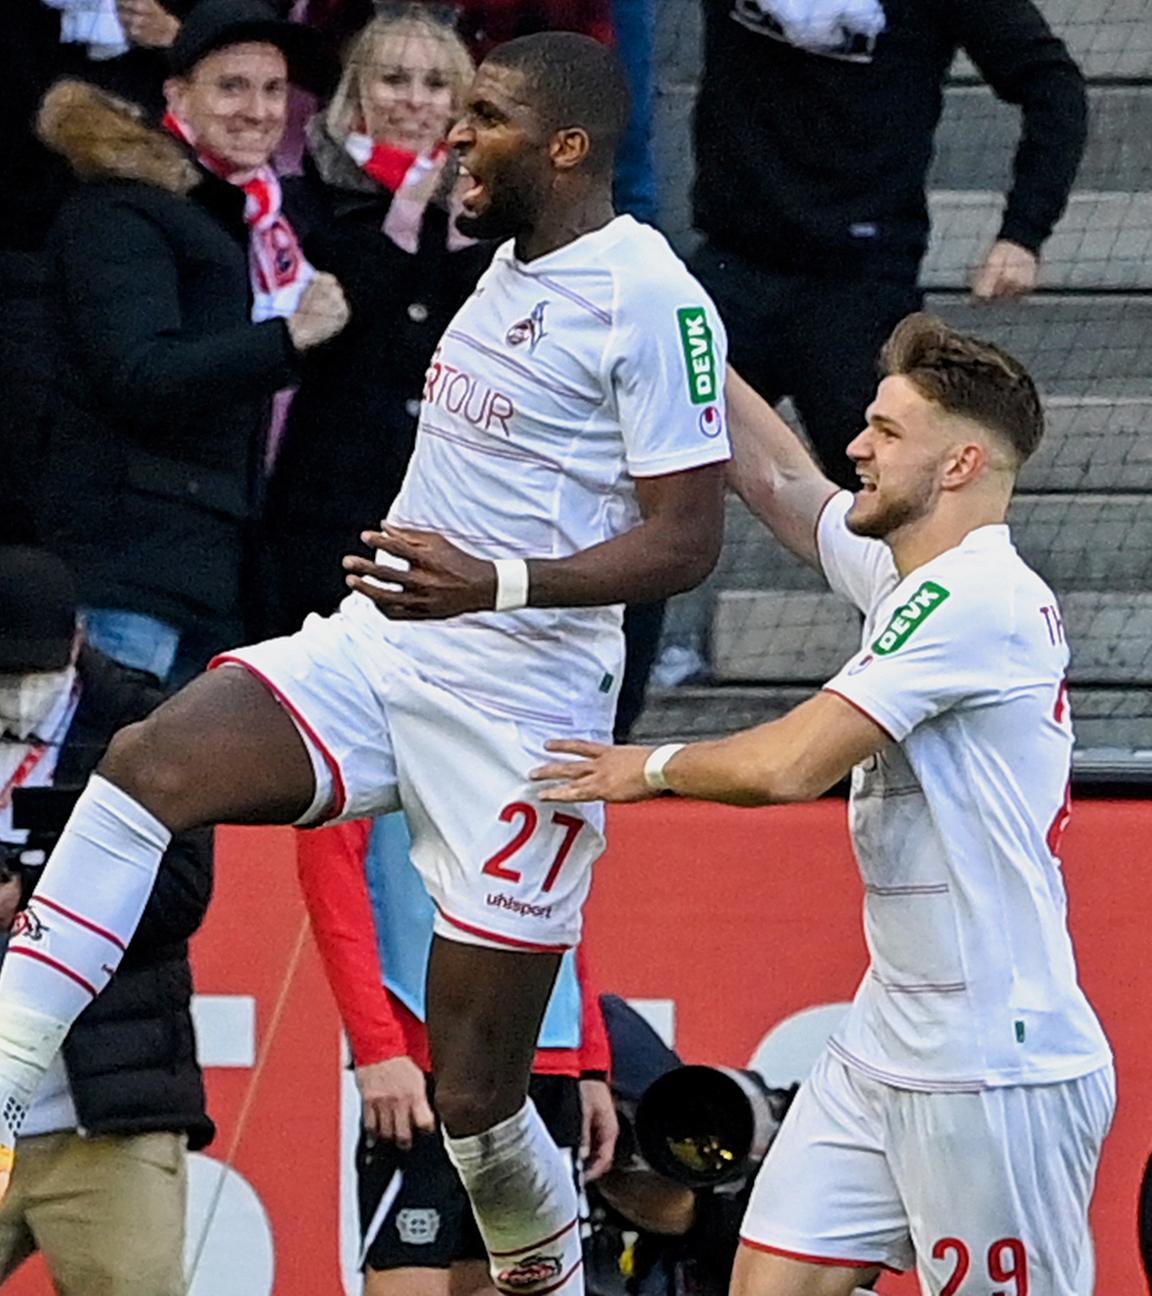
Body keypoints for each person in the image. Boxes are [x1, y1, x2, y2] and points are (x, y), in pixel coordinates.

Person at [0, 30, 729, 1296]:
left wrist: (493, 584)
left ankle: (545, 1265)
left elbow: (688, 539)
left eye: (486, 114)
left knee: (480, 1099)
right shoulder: (502, 266)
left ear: (566, 145)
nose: (454, 131)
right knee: (144, 762)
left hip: (525, 716)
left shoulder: (655, 300)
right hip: (385, 649)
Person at [532, 314, 1114, 1295]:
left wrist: (650, 766)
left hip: (993, 1064)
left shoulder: (979, 599)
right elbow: (783, 484)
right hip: (887, 1038)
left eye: (886, 432)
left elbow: (790, 766)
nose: (858, 446)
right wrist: (684, 335)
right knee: (764, 1282)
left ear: (962, 462)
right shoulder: (911, 574)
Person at [33, 0, 350, 686]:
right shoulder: (123, 211)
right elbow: (141, 374)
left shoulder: (260, 223)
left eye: (272, 90)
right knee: (103, 779)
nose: (258, 110)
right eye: (231, 86)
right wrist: (286, 339)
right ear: (178, 95)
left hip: (215, 573)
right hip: (130, 569)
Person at [690, 0, 1087, 490]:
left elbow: (1053, 85)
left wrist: (1023, 234)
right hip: (731, 269)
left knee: (892, 502)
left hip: (858, 288)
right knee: (639, 475)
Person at [0, 545, 213, 1296]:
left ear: (78, 642)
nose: (17, 695)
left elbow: (183, 892)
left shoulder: (147, 726)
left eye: (31, 673)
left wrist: (38, 897)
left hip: (101, 1117)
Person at [296, 814, 617, 1294]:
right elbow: (332, 883)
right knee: (410, 1277)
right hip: (427, 1057)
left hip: (546, 1055)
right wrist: (379, 1050)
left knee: (519, 1280)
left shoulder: (532, 738)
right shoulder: (379, 739)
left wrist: (589, 1060)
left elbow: (558, 897)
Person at [263, 5, 494, 635]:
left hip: (451, 504)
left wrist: (458, 242)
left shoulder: (491, 214)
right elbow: (331, 332)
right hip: (328, 496)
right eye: (394, 80)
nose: (414, 101)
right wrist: (394, 237)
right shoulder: (303, 195)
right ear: (358, 91)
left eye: (436, 84)